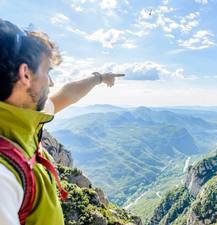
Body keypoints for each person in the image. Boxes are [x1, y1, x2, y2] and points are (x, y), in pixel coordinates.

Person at [0, 19, 124, 225]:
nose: (51, 82)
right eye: (47, 71)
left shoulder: (20, 119)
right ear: (25, 74)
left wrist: (100, 78)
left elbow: (66, 95)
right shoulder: (3, 179)